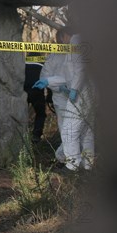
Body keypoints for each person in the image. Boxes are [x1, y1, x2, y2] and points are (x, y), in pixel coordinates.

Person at [34, 30, 95, 172]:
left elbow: (80, 72)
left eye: (61, 38)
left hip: (80, 94)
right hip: (77, 94)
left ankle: (71, 165)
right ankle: (87, 165)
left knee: (69, 130)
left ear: (64, 36)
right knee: (86, 130)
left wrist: (73, 89)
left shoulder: (76, 42)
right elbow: (69, 76)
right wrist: (49, 81)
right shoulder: (65, 51)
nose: (61, 42)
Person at [33, 27, 72, 164]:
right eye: (64, 36)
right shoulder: (54, 56)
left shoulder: (78, 53)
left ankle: (68, 158)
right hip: (60, 97)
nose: (65, 39)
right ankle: (66, 159)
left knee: (80, 129)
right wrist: (59, 87)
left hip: (79, 96)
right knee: (66, 128)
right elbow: (45, 76)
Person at [24, 52, 47, 143]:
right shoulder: (42, 64)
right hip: (37, 91)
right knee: (41, 114)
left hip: (23, 90)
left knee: (21, 114)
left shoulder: (23, 63)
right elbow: (47, 79)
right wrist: (49, 97)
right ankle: (36, 136)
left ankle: (21, 135)